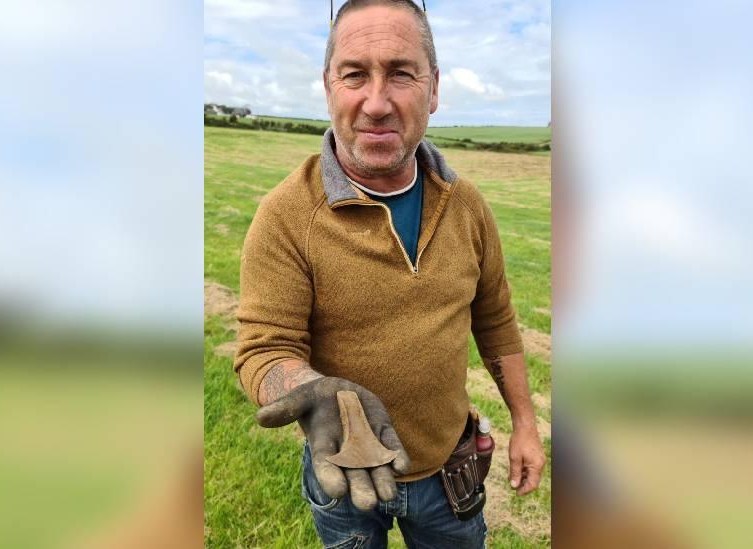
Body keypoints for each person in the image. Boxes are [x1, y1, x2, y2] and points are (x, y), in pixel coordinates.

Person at [234, 1, 546, 546]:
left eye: (401, 73)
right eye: (354, 74)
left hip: (450, 471)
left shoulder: (467, 206)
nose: (376, 103)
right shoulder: (285, 215)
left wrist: (525, 423)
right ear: (328, 86)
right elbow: (263, 348)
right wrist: (313, 389)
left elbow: (495, 319)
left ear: (434, 87)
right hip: (343, 476)